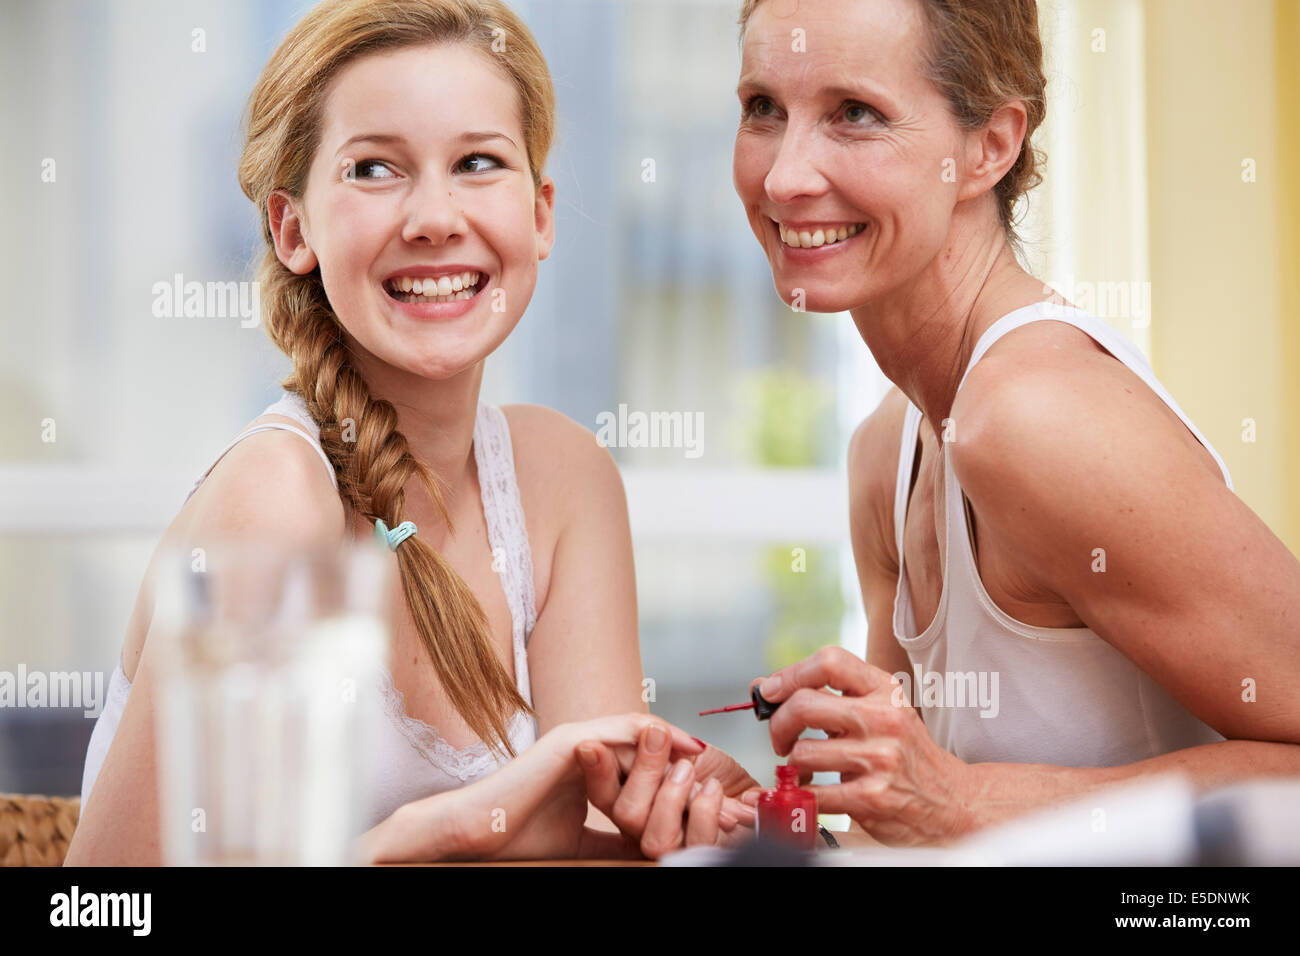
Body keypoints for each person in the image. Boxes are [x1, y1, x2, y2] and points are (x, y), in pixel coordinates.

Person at [577, 0, 1300, 850]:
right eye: (763, 108)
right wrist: (763, 826)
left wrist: (966, 798)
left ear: (989, 147)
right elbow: (924, 837)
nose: (783, 178)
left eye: (855, 114)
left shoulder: (1033, 417)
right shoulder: (887, 450)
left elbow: (959, 807)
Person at [66, 0, 751, 865]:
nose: (434, 216)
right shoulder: (278, 501)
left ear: (540, 215)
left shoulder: (564, 480)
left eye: (476, 162)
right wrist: (436, 833)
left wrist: (691, 832)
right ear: (293, 229)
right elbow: (97, 907)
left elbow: (587, 846)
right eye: (374, 170)